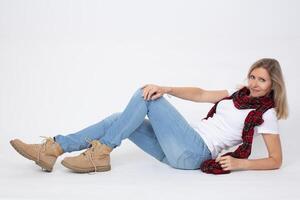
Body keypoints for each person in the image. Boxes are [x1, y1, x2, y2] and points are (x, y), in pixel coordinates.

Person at [10, 58, 288, 175]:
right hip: (175, 150)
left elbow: (276, 160)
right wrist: (168, 88)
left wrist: (240, 165)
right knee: (118, 119)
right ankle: (53, 149)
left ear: (273, 84)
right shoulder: (236, 93)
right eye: (252, 76)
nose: (253, 83)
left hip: (195, 152)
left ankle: (102, 152)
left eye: (261, 80)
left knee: (146, 95)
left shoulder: (266, 114)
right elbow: (202, 93)